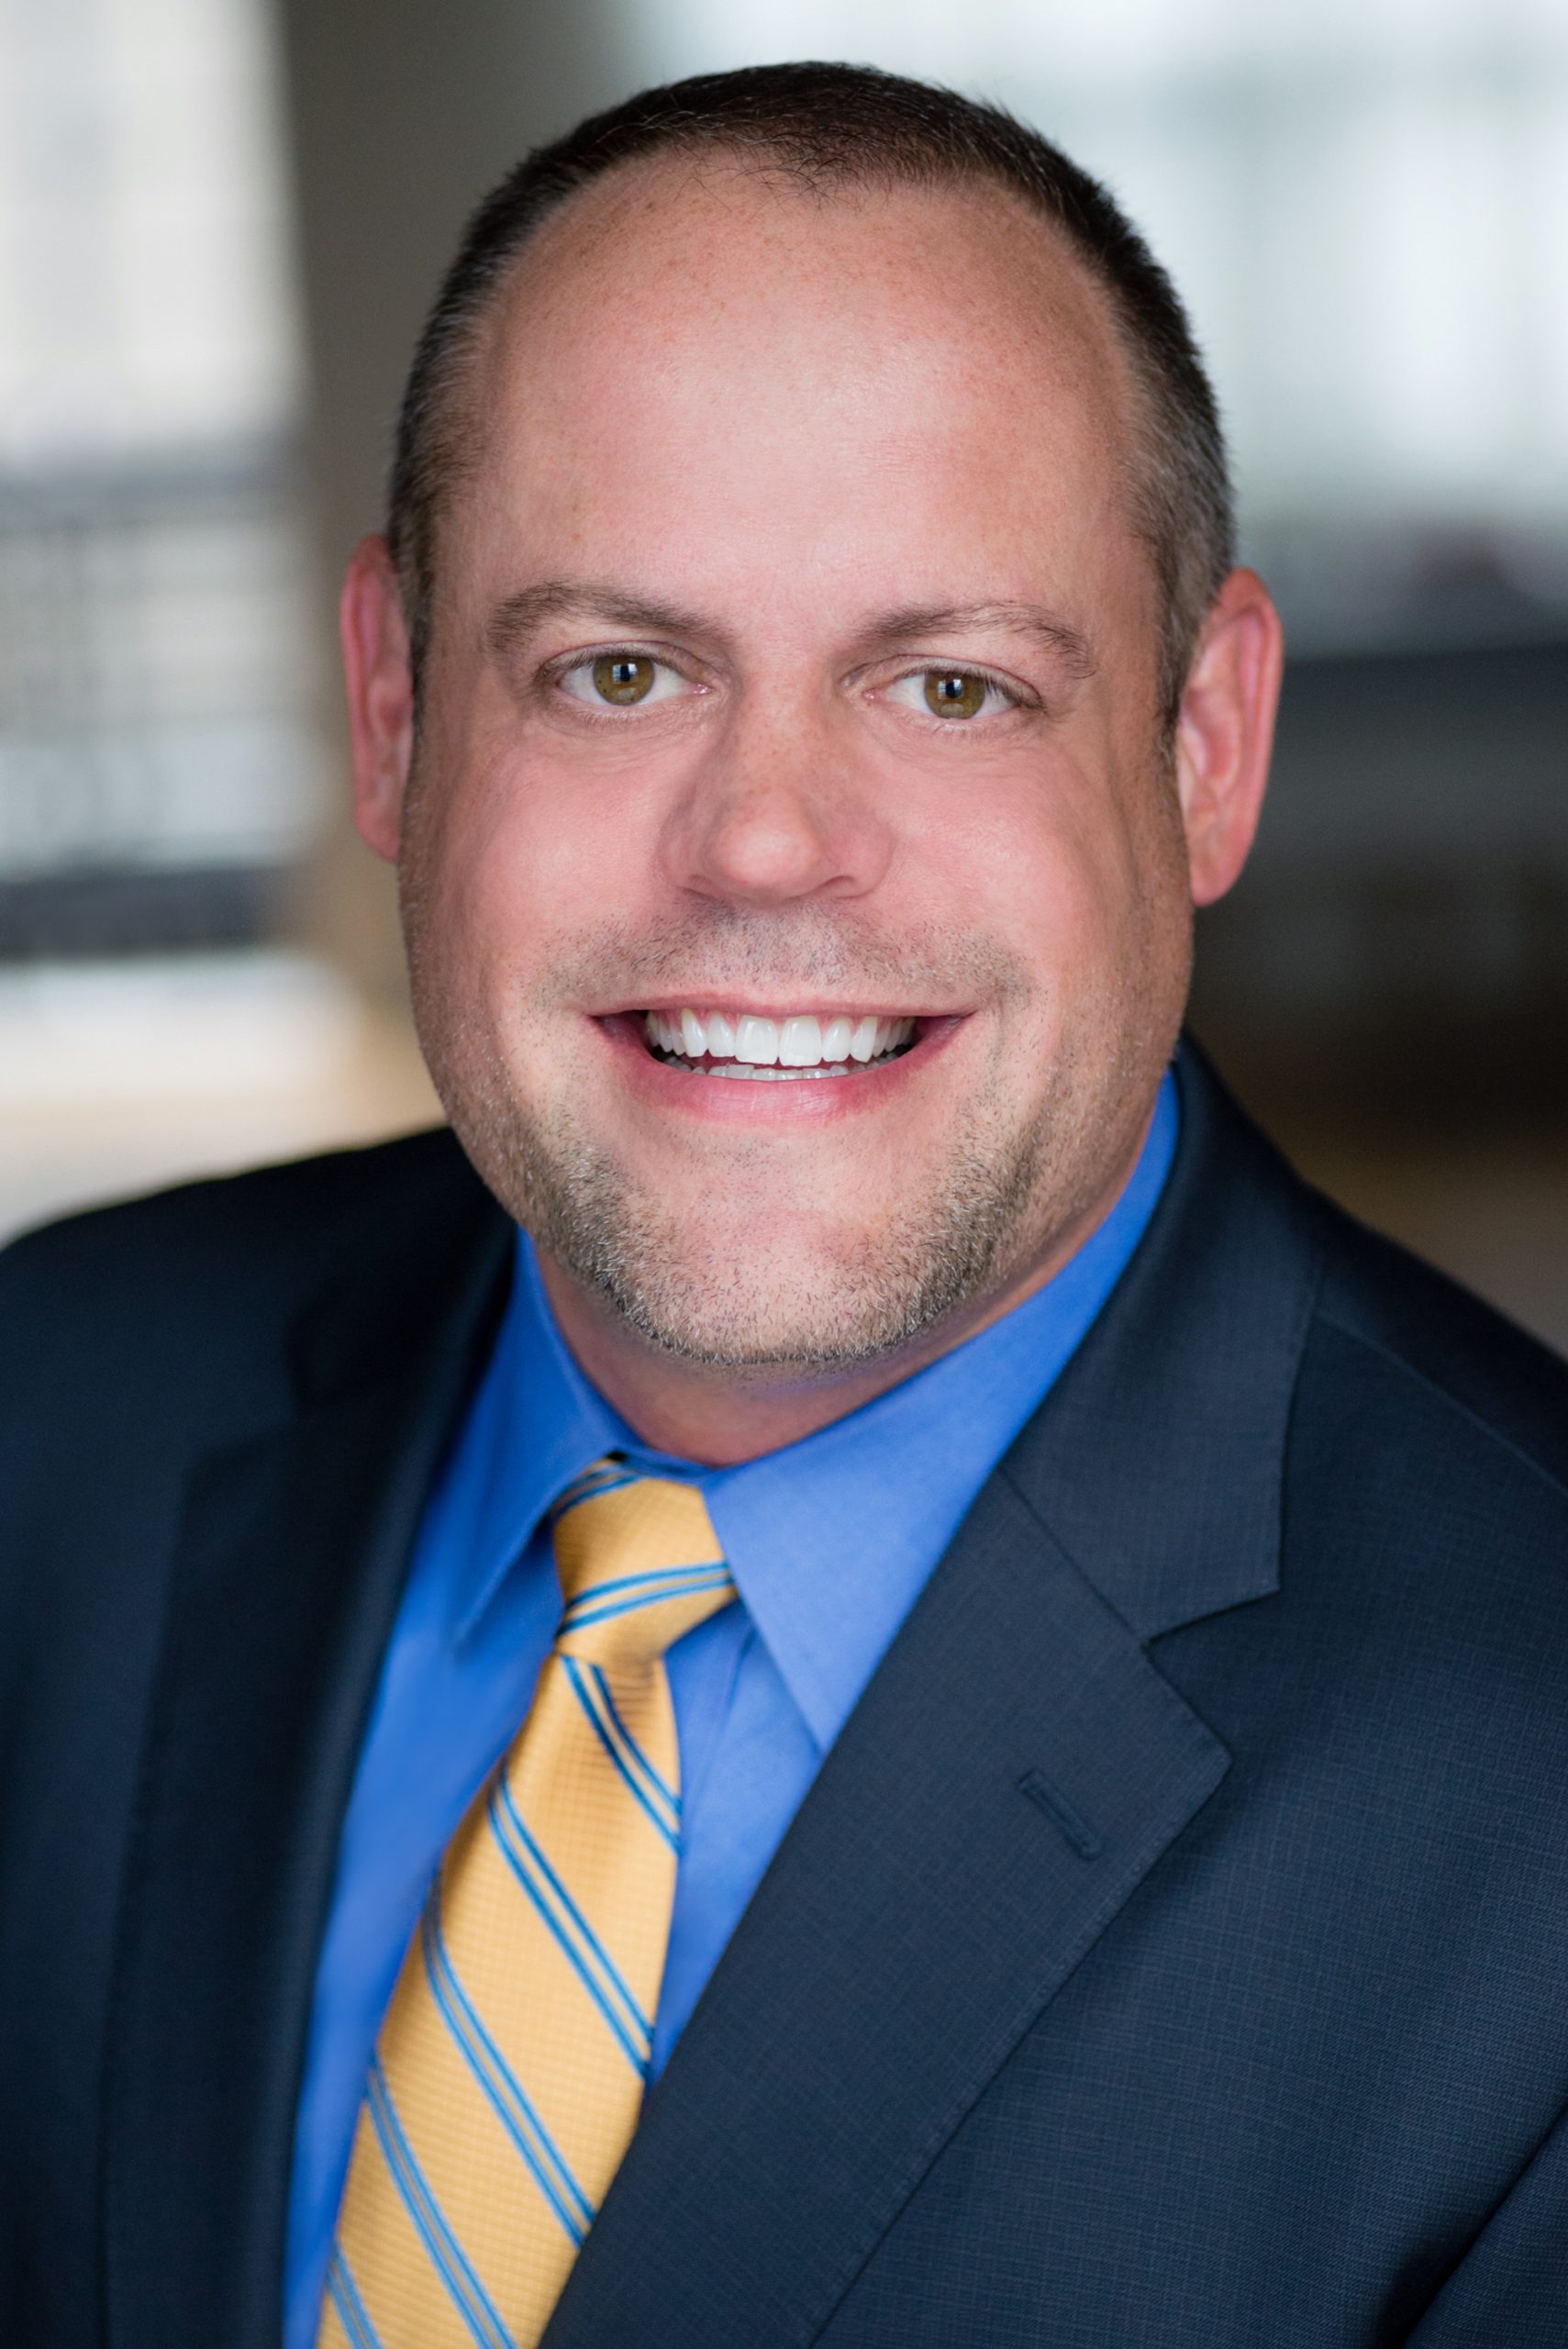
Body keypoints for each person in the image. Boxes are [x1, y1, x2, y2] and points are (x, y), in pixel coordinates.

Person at [3, 59, 1567, 2349]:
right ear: (396, 710)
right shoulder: (54, 1414)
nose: (761, 843)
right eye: (616, 671)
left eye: (953, 686)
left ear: (1206, 747)